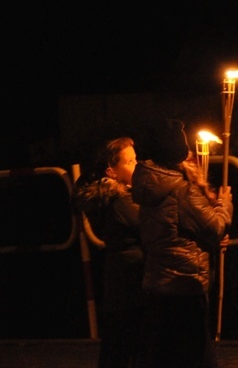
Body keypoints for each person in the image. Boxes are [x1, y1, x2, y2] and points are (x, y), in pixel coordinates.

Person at [131, 118, 233, 368]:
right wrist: (224, 204)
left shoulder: (147, 185)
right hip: (185, 283)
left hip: (158, 282)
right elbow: (215, 227)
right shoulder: (183, 191)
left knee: (166, 355)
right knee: (197, 354)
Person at [73, 136, 144, 368]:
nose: (137, 165)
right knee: (127, 342)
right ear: (111, 172)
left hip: (120, 277)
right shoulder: (120, 202)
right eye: (130, 162)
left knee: (118, 342)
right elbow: (150, 225)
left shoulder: (116, 197)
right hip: (130, 278)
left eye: (136, 159)